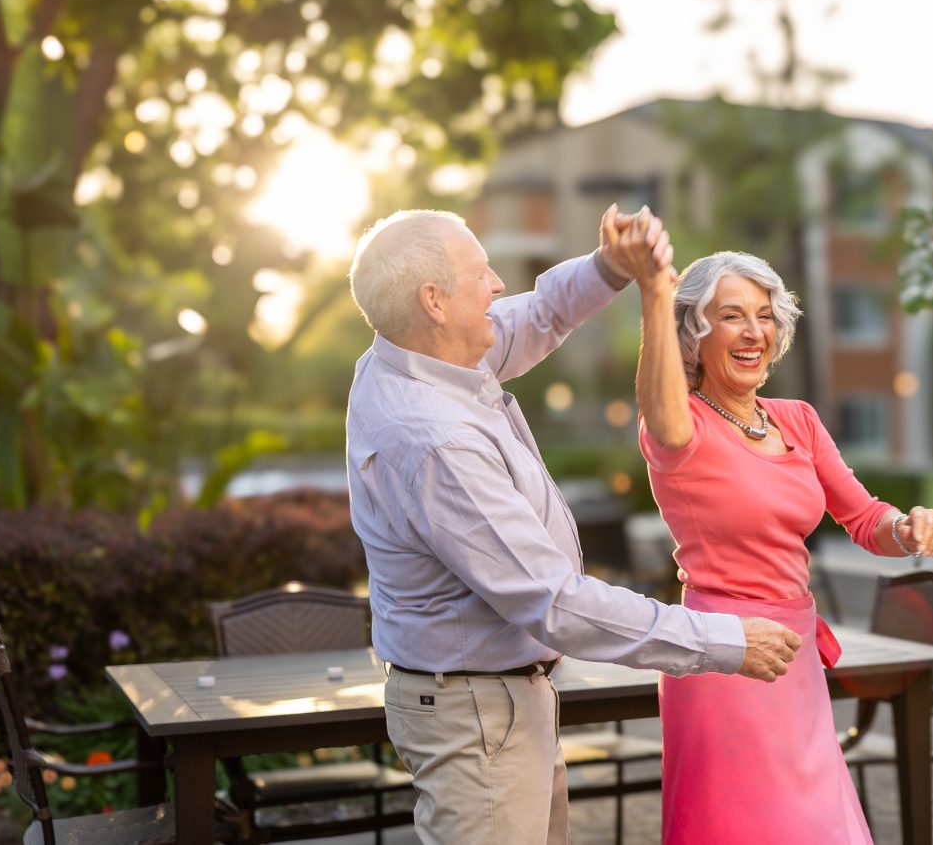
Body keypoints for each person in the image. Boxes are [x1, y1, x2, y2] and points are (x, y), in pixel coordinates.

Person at [344, 206, 804, 845]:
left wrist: (609, 266)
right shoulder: (433, 441)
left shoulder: (421, 355)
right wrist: (723, 642)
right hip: (476, 715)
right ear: (435, 301)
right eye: (482, 274)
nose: (499, 285)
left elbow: (541, 313)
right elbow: (554, 601)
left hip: (497, 705)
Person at [620, 217, 933, 844]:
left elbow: (863, 516)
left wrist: (907, 530)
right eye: (730, 316)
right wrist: (654, 293)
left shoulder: (797, 419)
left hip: (795, 657)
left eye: (765, 315)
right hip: (722, 651)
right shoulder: (680, 428)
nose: (754, 332)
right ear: (693, 333)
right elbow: (658, 407)